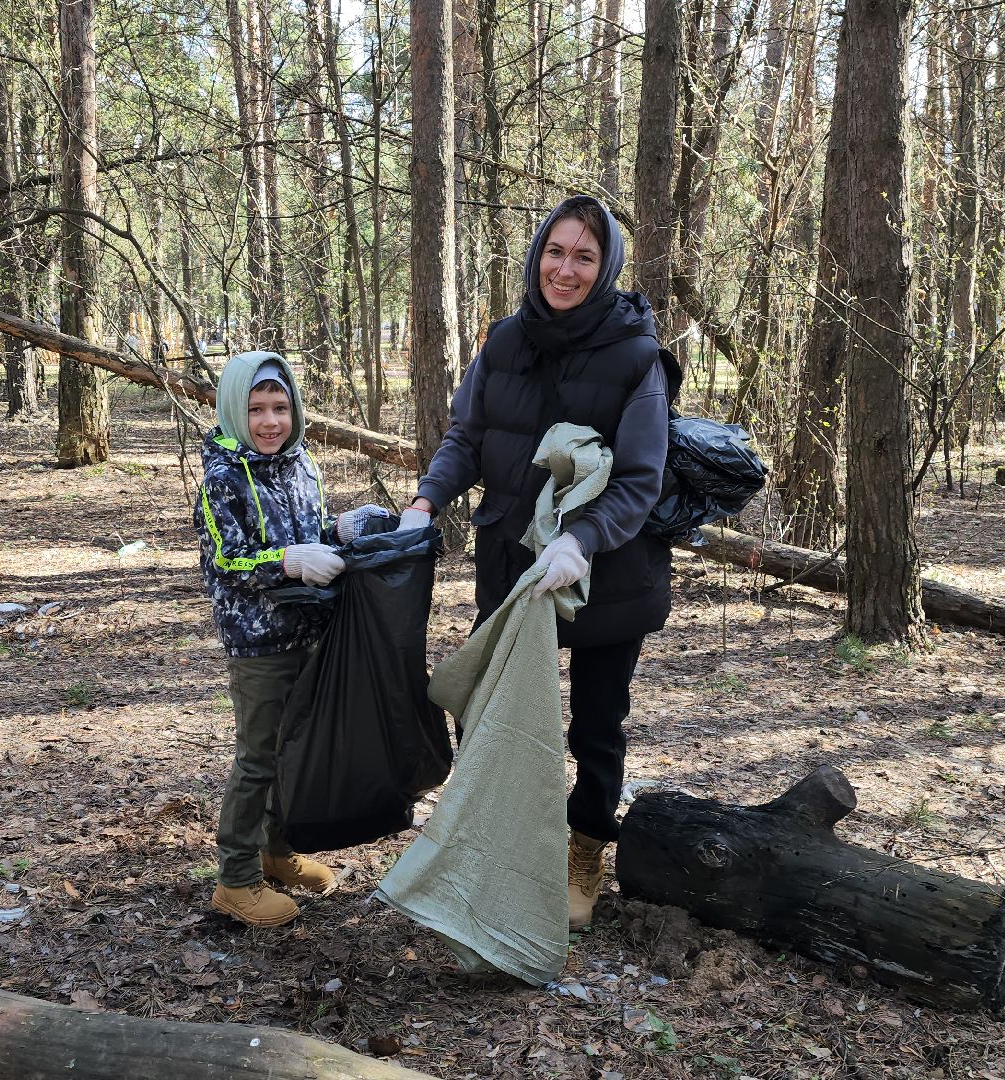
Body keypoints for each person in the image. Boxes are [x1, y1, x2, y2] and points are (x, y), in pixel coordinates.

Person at [399, 195, 677, 931]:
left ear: (607, 265)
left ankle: (583, 848)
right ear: (537, 255)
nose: (566, 268)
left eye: (585, 256)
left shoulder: (638, 356)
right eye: (556, 251)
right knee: (490, 712)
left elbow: (642, 479)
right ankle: (494, 845)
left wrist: (579, 540)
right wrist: (427, 501)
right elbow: (467, 435)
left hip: (606, 571)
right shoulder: (503, 342)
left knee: (596, 723)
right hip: (510, 558)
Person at [194, 349, 386, 928]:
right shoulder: (223, 478)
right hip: (258, 643)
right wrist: (289, 562)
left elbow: (311, 534)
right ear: (234, 411)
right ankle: (235, 879)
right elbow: (226, 559)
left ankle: (276, 853)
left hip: (309, 633)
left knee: (293, 751)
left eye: (280, 406)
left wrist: (339, 531)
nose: (270, 421)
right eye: (256, 409)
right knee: (258, 758)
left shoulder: (303, 467)